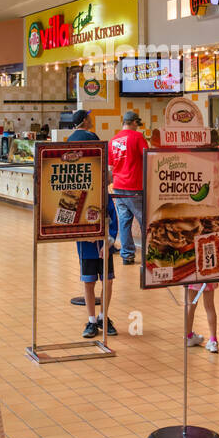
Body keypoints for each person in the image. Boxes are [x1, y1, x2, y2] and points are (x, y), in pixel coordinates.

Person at [70, 108, 117, 338]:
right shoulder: (91, 138)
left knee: (97, 279)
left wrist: (107, 239)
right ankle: (96, 318)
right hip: (92, 238)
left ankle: (97, 318)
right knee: (99, 280)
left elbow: (112, 217)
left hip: (96, 238)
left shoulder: (68, 140)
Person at [108, 110, 148, 265]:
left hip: (118, 187)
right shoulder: (137, 137)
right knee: (145, 221)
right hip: (135, 186)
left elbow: (111, 166)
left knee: (124, 222)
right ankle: (149, 255)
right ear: (134, 122)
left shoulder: (113, 140)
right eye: (137, 123)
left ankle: (127, 255)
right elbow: (148, 157)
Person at [185, 283, 219, 353]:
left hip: (194, 276)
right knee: (210, 307)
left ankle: (188, 337)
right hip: (208, 276)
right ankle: (213, 341)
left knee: (191, 305)